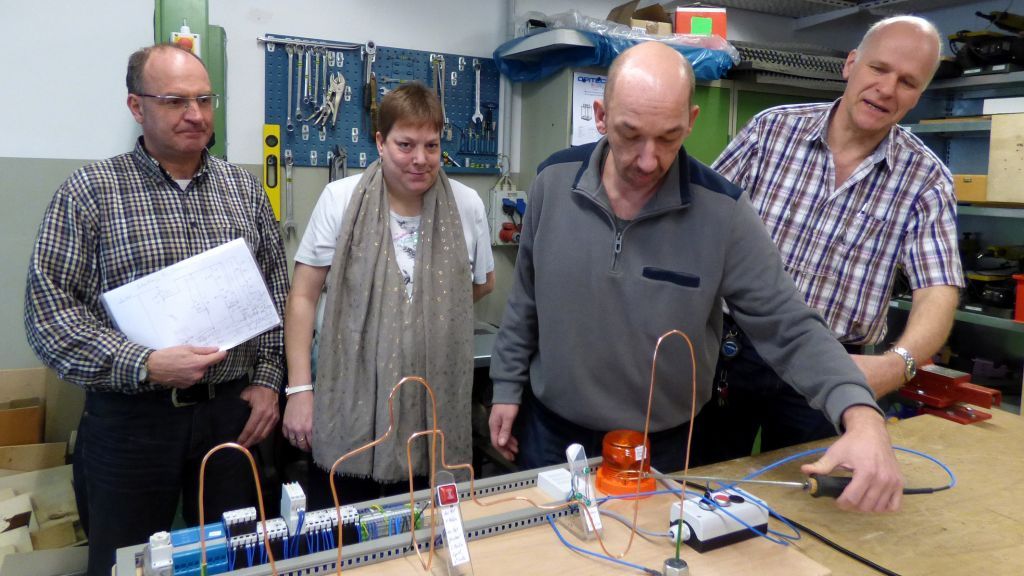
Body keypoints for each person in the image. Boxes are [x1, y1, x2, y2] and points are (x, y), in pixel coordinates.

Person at [488, 40, 904, 513]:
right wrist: (506, 386)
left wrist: (862, 415)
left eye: (668, 137)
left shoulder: (722, 212)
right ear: (601, 117)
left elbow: (788, 325)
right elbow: (526, 297)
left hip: (665, 450)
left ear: (692, 121)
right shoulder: (552, 182)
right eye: (630, 134)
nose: (648, 160)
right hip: (552, 436)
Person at [23, 45, 289, 575]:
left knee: (242, 558)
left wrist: (267, 379)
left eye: (203, 99)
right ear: (136, 106)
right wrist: (143, 363)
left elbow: (276, 293)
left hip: (231, 416)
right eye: (175, 100)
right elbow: (50, 314)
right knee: (127, 563)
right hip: (132, 423)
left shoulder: (245, 191)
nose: (195, 114)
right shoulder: (89, 193)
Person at [697, 15, 963, 464]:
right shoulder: (771, 132)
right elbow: (696, 222)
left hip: (835, 368)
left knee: (810, 508)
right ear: (851, 64)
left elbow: (938, 290)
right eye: (879, 69)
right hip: (730, 352)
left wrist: (897, 365)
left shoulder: (926, 180)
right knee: (703, 487)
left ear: (917, 97)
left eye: (907, 82)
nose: (886, 89)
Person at [282, 82, 495, 509]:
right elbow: (303, 297)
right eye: (405, 144)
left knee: (421, 535)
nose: (420, 159)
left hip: (432, 405)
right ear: (380, 142)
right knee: (344, 535)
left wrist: (422, 316)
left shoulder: (467, 204)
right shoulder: (341, 200)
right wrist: (299, 390)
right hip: (348, 402)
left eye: (431, 145)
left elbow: (482, 282)